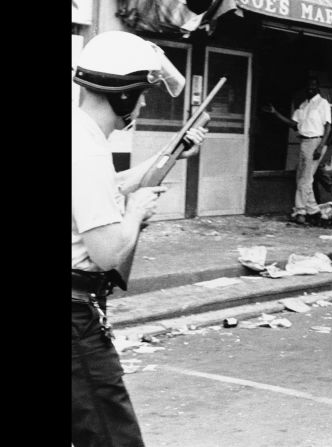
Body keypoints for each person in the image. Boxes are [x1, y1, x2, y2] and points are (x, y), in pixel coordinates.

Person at [72, 31, 207, 446]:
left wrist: (167, 154)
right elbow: (108, 251)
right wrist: (135, 212)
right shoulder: (88, 151)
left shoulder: (79, 135)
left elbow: (104, 187)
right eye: (143, 93)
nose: (145, 103)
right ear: (124, 96)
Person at [263, 76, 332, 225]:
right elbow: (293, 124)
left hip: (316, 141)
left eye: (313, 86)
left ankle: (300, 211)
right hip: (304, 142)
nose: (310, 88)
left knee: (305, 179)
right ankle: (313, 210)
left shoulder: (322, 103)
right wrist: (275, 113)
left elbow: (328, 126)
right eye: (308, 86)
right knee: (301, 177)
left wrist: (320, 146)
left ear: (318, 88)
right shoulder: (303, 106)